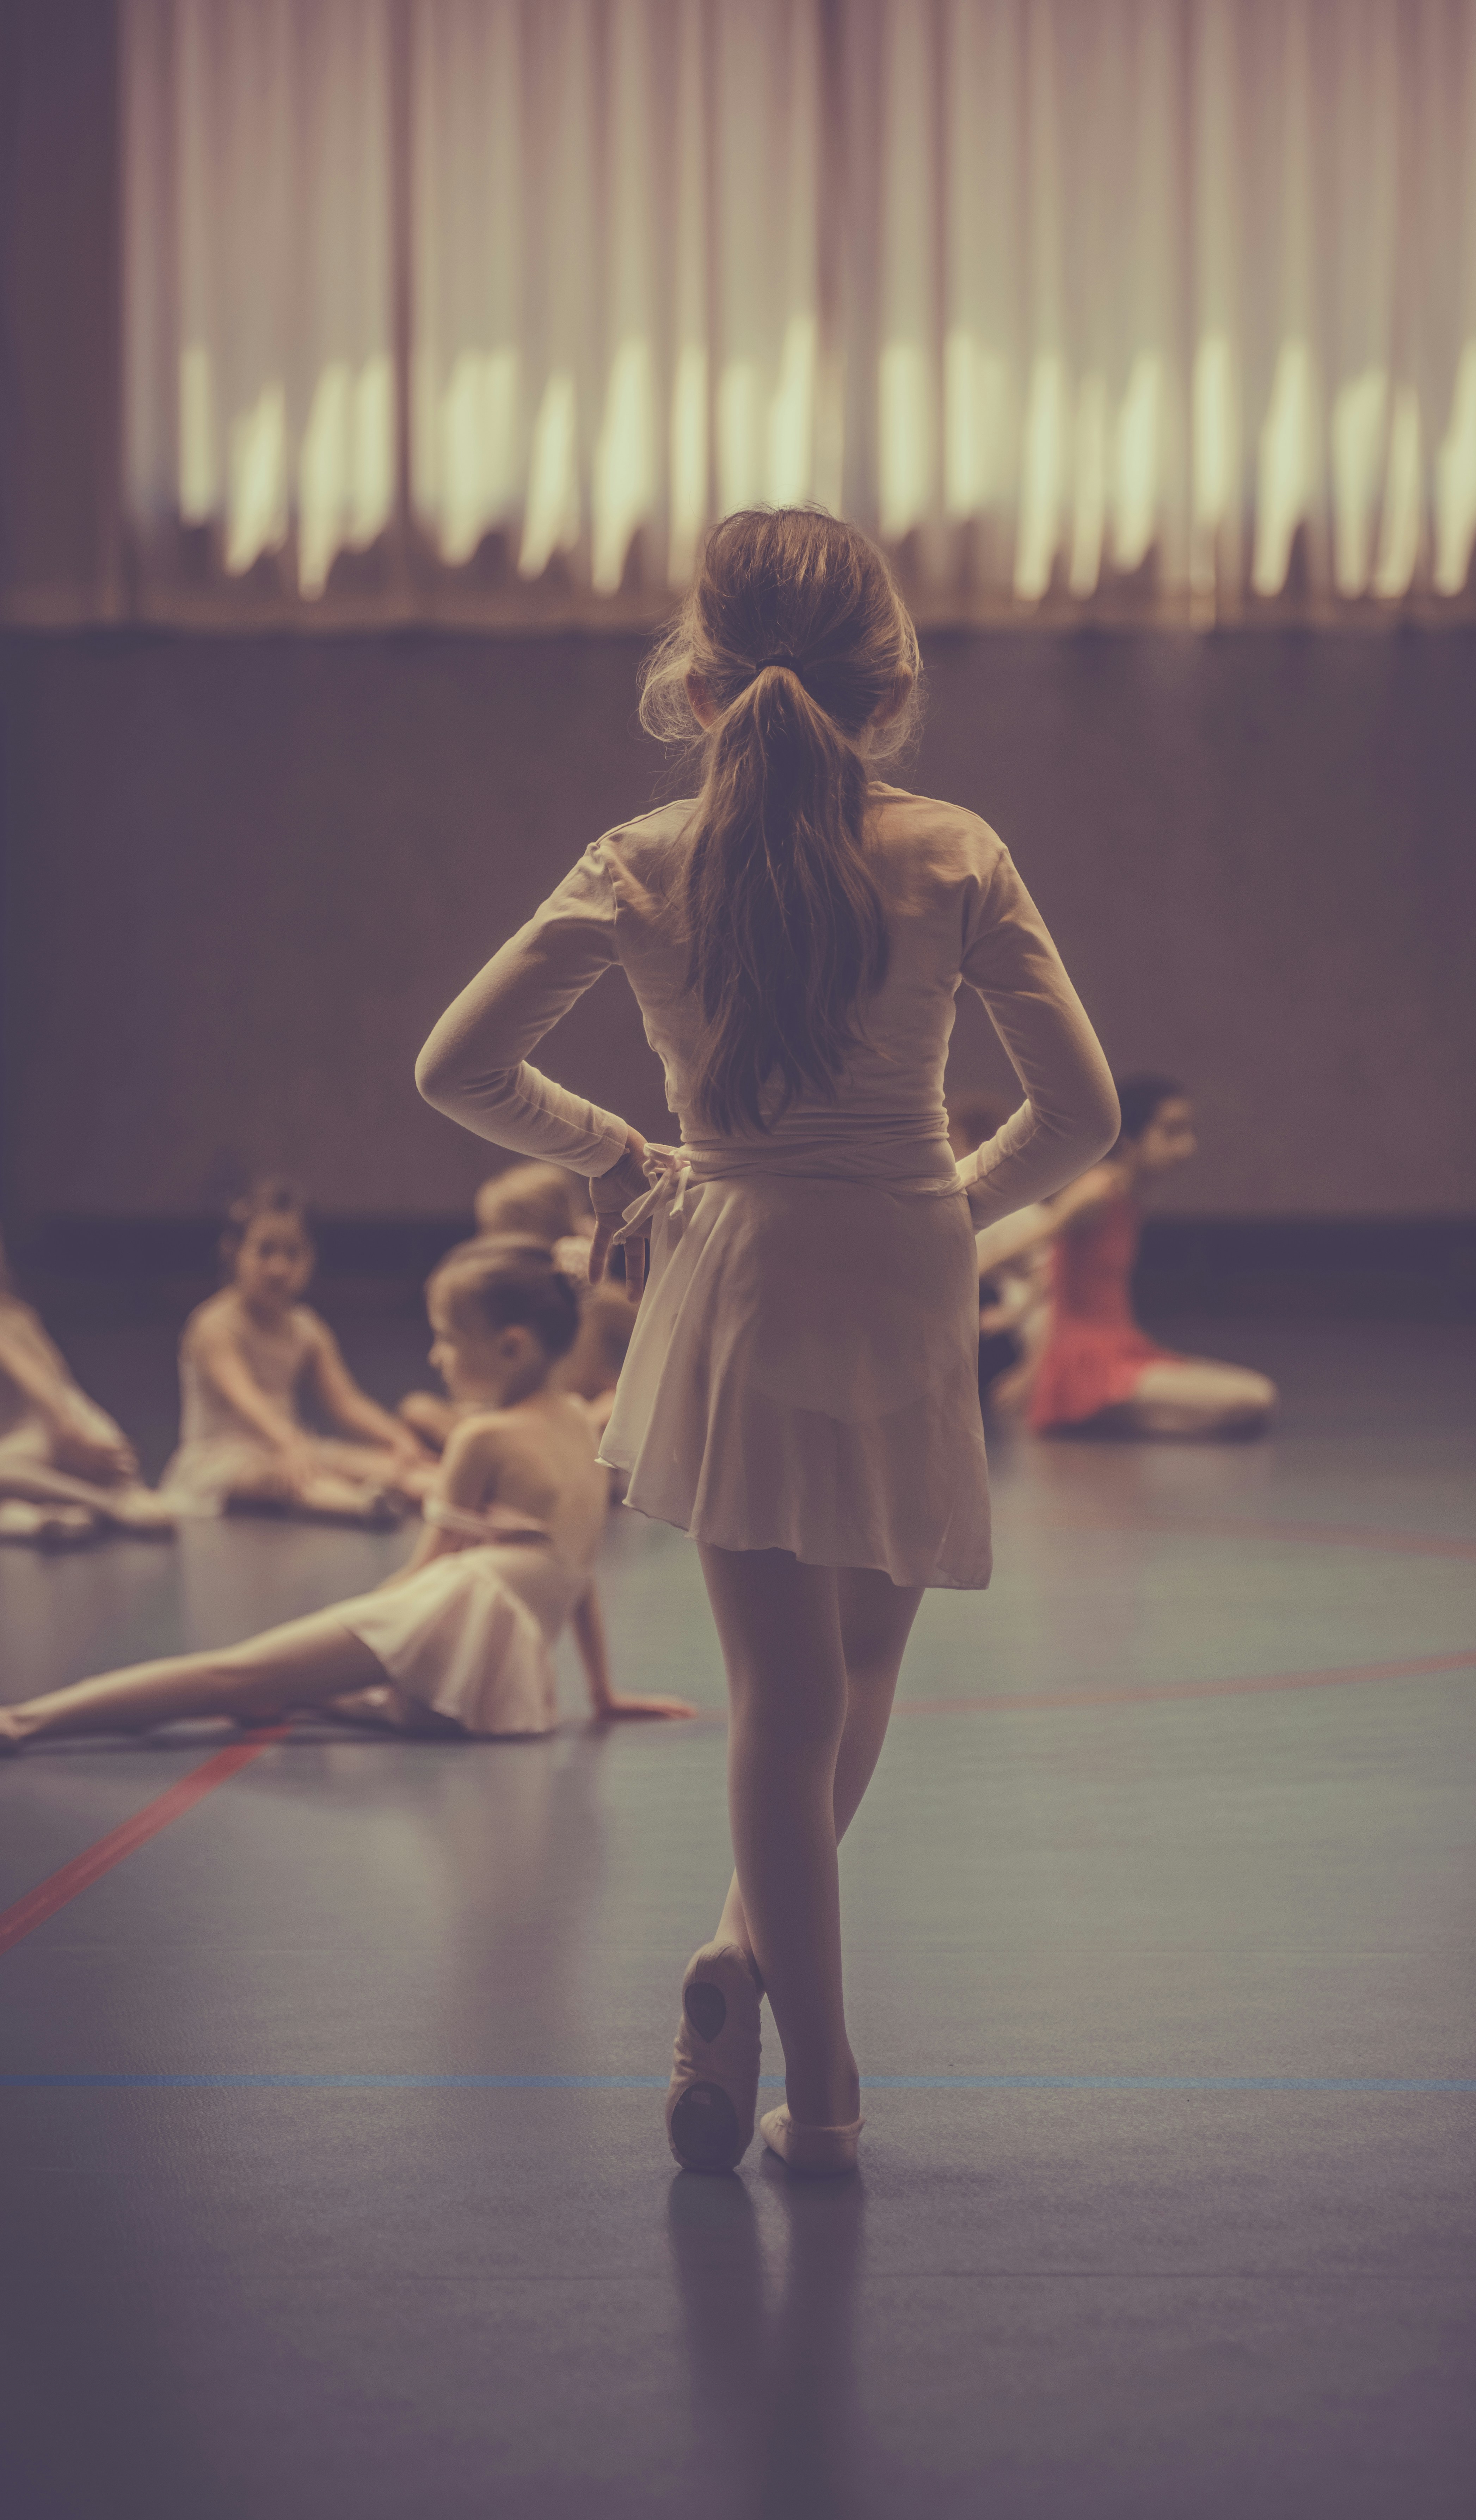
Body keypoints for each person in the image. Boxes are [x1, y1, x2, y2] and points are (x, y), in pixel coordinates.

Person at [416, 507, 1119, 2178]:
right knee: (856, 1676)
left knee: (775, 1704)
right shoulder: (955, 850)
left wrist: (616, 1156)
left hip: (727, 1263)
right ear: (886, 678)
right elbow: (1077, 1112)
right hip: (898, 1261)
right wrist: (951, 1181)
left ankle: (787, 2024)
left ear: (699, 667)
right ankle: (802, 2061)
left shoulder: (639, 857)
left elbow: (456, 1064)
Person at [0, 1237, 694, 1751]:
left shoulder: (483, 1437)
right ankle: (290, 1687)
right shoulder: (582, 1424)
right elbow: (578, 1574)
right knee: (274, 1681)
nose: (436, 1356)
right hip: (492, 1672)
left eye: (447, 1340)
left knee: (229, 1672)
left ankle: (22, 1721)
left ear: (511, 1345)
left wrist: (331, 1628)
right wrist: (602, 1692)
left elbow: (425, 1573)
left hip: (455, 1616)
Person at [994, 1072, 1278, 1439]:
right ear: (1129, 1140)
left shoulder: (1127, 1199)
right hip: (1088, 1364)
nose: (1186, 1147)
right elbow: (1034, 1250)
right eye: (1171, 1132)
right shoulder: (1097, 1192)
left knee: (1251, 1398)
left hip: (1121, 1350)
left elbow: (1056, 1273)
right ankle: (1079, 1408)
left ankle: (1088, 1415)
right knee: (1253, 1398)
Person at [160, 1181, 431, 1522]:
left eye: (293, 1254)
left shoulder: (306, 1327)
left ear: (310, 1259)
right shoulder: (214, 1326)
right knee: (285, 1479)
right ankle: (365, 1504)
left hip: (288, 1445)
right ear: (234, 1252)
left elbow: (346, 1402)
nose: (279, 1268)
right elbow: (247, 1400)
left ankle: (438, 1494)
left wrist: (397, 1437)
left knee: (393, 1468)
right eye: (265, 1251)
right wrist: (289, 1443)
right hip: (225, 1456)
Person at [400, 1162, 638, 1451]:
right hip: (515, 1416)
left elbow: (666, 1354)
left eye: (494, 1232)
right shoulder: (498, 1298)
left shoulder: (600, 1298)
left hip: (574, 1420)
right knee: (418, 1410)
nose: (487, 1243)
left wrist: (607, 1407)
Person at [0, 1242, 176, 1544]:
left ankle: (108, 1504)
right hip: (33, 1455)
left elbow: (50, 1387)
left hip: (68, 1435)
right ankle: (49, 1517)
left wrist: (69, 1433)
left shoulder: (13, 1318)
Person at [947, 1091, 1055, 1415]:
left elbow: (1053, 1285)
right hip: (1023, 1335)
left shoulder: (1009, 1210)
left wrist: (1027, 1375)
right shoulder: (1009, 1205)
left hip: (1030, 1341)